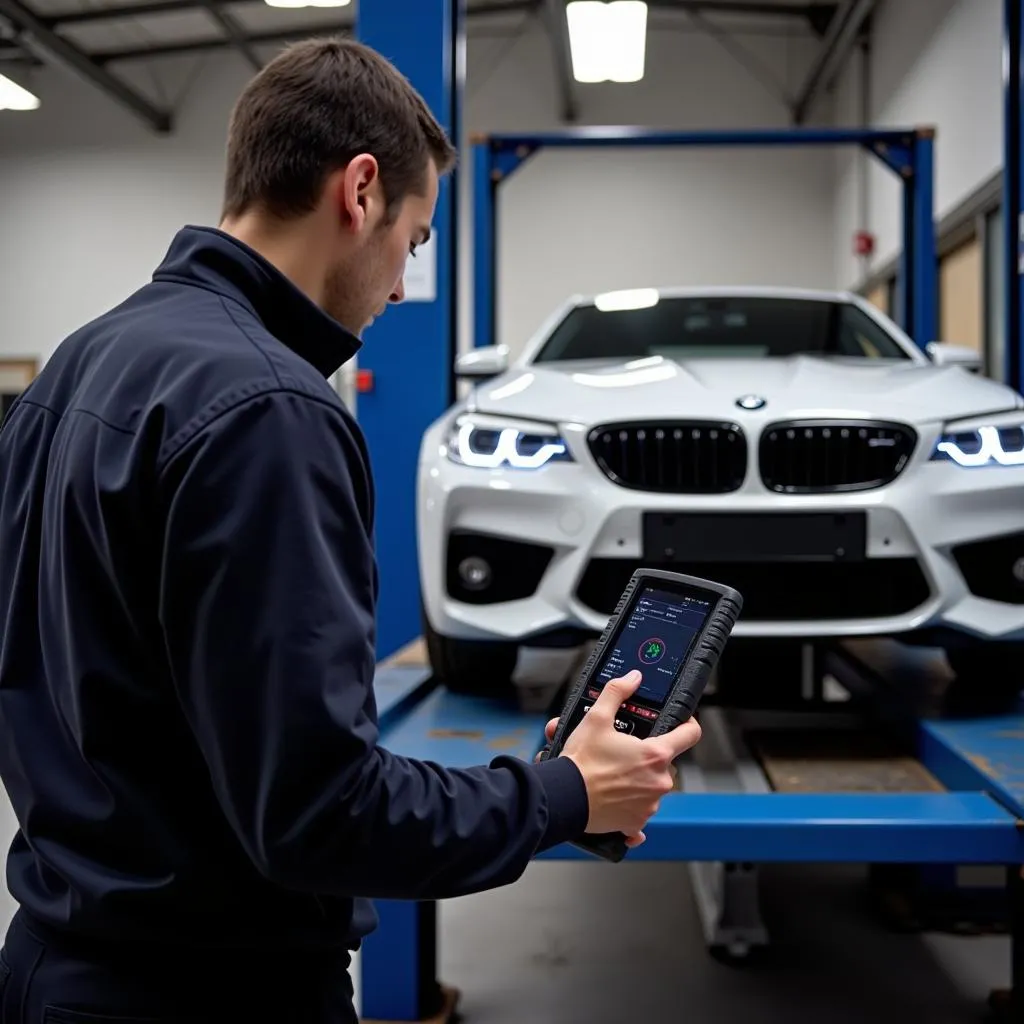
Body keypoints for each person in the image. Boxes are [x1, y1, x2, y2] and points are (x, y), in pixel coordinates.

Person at [0, 36, 702, 1023]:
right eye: (414, 242)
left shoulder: (79, 365)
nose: (404, 285)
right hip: (211, 992)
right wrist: (562, 794)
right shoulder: (268, 408)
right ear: (359, 190)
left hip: (49, 964)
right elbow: (321, 812)